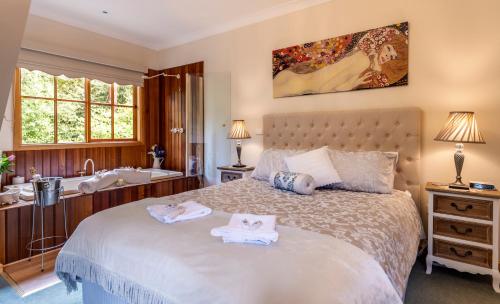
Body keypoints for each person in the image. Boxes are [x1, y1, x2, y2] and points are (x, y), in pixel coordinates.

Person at [273, 26, 408, 97]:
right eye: (389, 49)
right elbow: (324, 88)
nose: (388, 56)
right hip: (295, 86)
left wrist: (351, 84)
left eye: (393, 57)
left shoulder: (363, 56)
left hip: (291, 78)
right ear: (383, 44)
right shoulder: (364, 61)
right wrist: (350, 84)